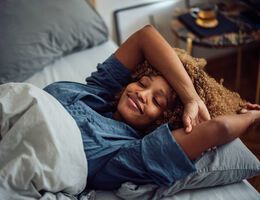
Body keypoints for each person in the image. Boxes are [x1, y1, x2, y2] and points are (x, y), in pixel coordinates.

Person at [44, 25, 260, 190]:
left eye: (157, 102)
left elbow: (219, 128)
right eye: (141, 83)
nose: (141, 94)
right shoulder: (100, 91)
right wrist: (191, 98)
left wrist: (252, 116)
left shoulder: (128, 153)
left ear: (164, 121)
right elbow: (146, 36)